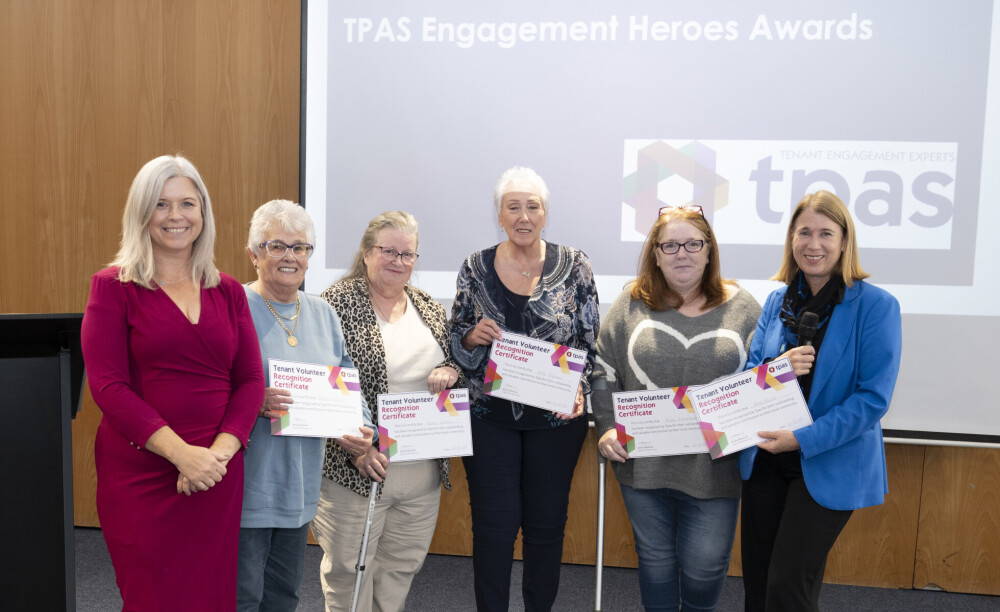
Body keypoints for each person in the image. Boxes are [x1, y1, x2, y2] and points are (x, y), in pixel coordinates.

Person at [80, 154, 265, 610]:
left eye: (187, 203)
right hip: (143, 472)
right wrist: (182, 455)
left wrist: (215, 457)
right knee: (152, 595)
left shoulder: (226, 290)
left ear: (203, 212)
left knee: (210, 593)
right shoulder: (112, 286)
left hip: (215, 474)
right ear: (141, 212)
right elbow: (108, 387)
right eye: (161, 205)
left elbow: (249, 380)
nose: (176, 216)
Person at [591, 205, 761, 612]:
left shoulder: (744, 308)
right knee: (656, 563)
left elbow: (760, 378)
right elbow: (603, 366)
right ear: (656, 253)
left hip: (715, 467)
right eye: (670, 245)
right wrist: (607, 428)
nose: (681, 253)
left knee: (705, 568)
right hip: (643, 464)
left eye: (692, 243)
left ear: (708, 251)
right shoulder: (631, 302)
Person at [739, 190, 902, 612]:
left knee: (788, 588)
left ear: (845, 241)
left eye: (826, 233)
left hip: (827, 460)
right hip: (766, 460)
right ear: (791, 240)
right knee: (758, 588)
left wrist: (802, 439)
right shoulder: (778, 301)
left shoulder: (876, 306)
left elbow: (872, 398)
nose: (814, 244)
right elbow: (749, 376)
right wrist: (777, 369)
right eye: (804, 232)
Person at [450, 166, 600, 611]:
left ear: (545, 212)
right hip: (489, 420)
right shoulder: (475, 266)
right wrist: (470, 336)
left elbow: (591, 339)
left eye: (532, 206)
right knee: (493, 529)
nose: (523, 215)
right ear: (499, 214)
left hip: (556, 421)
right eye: (513, 206)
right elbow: (455, 332)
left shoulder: (576, 264)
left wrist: (581, 387)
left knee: (546, 527)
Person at [312, 210, 463, 612]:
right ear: (366, 253)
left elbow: (454, 366)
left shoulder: (428, 307)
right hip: (357, 467)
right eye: (388, 251)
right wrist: (356, 448)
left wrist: (450, 369)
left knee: (399, 570)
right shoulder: (335, 304)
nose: (398, 261)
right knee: (350, 572)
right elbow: (322, 384)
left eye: (408, 254)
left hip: (421, 470)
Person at [237, 200, 374, 611]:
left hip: (299, 489)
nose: (289, 257)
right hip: (245, 486)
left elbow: (347, 383)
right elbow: (206, 385)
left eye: (300, 248)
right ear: (253, 254)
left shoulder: (323, 313)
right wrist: (251, 398)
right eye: (276, 245)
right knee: (241, 598)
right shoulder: (233, 307)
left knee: (284, 598)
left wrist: (361, 427)